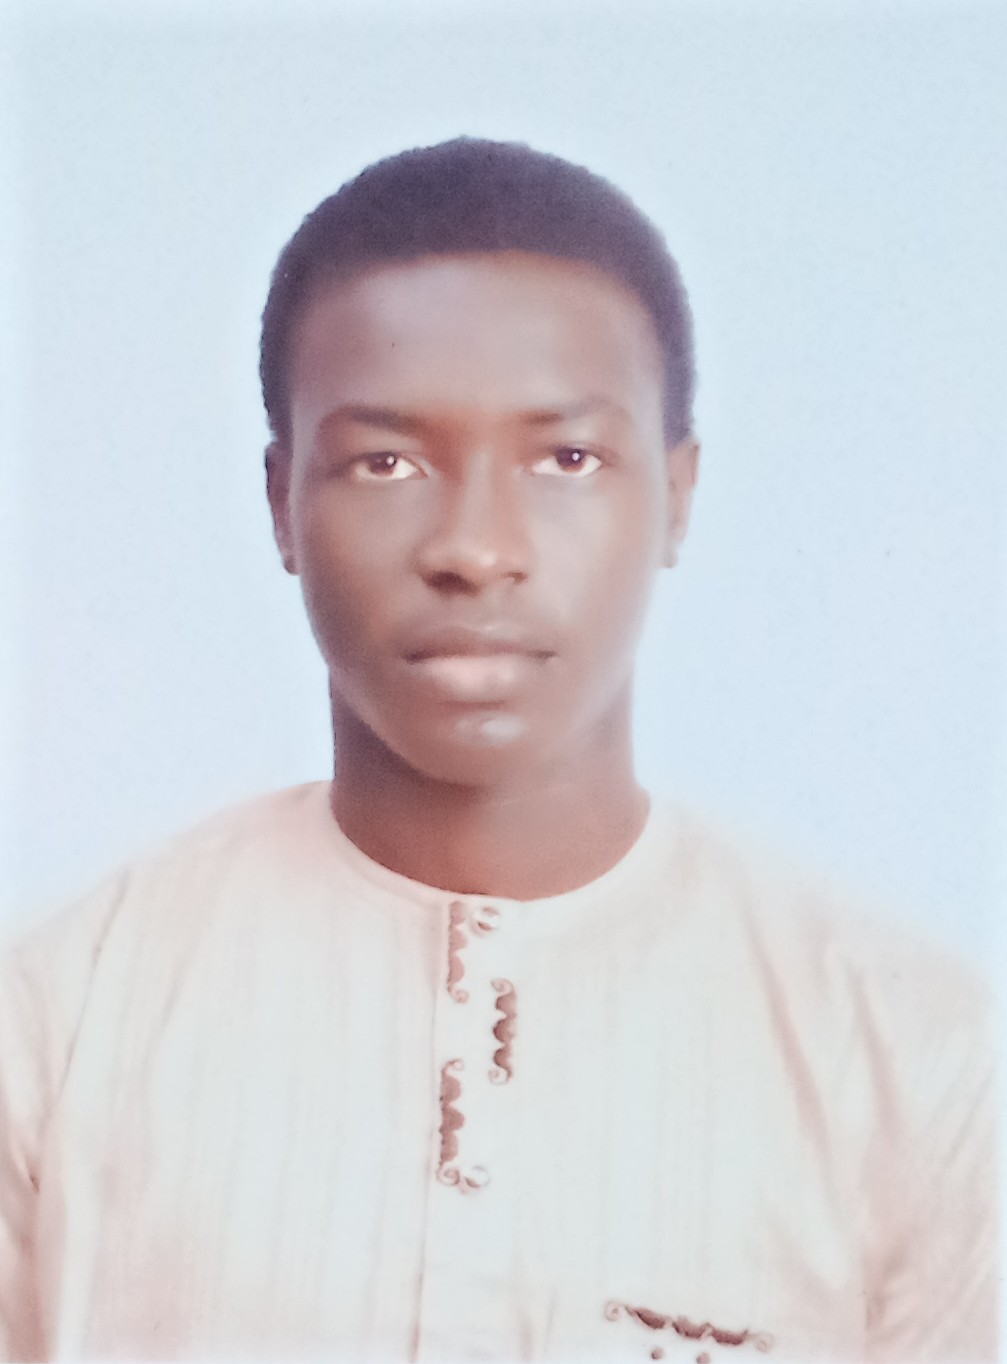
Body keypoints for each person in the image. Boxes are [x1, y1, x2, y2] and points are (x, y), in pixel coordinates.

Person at [0, 138, 996, 1363]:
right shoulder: (56, 1026)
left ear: (676, 496)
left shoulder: (909, 1056)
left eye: (565, 458)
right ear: (281, 505)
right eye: (385, 461)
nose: (473, 547)